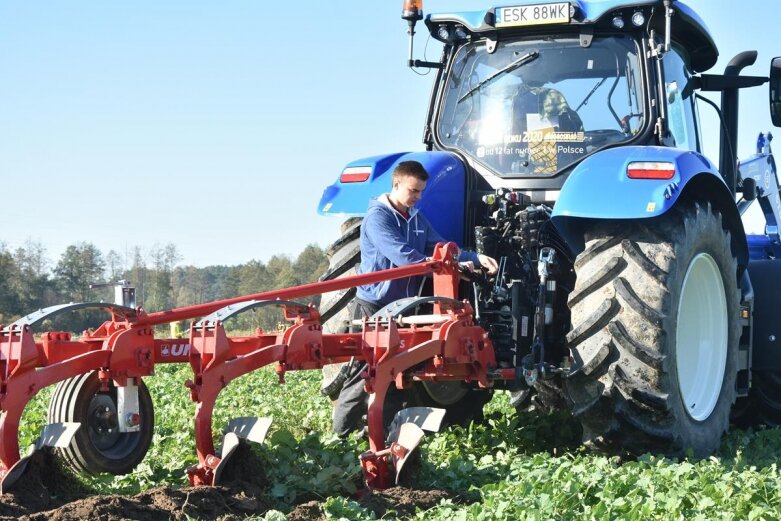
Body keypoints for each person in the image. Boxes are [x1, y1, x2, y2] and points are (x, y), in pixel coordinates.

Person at [332, 160, 498, 436]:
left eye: (421, 191)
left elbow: (441, 247)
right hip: (374, 305)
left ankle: (383, 431)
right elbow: (403, 257)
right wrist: (450, 268)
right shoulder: (378, 218)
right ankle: (341, 435)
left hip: (404, 308)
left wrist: (473, 258)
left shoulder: (416, 218)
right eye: (413, 191)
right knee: (363, 372)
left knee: (399, 373)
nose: (418, 197)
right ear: (396, 184)